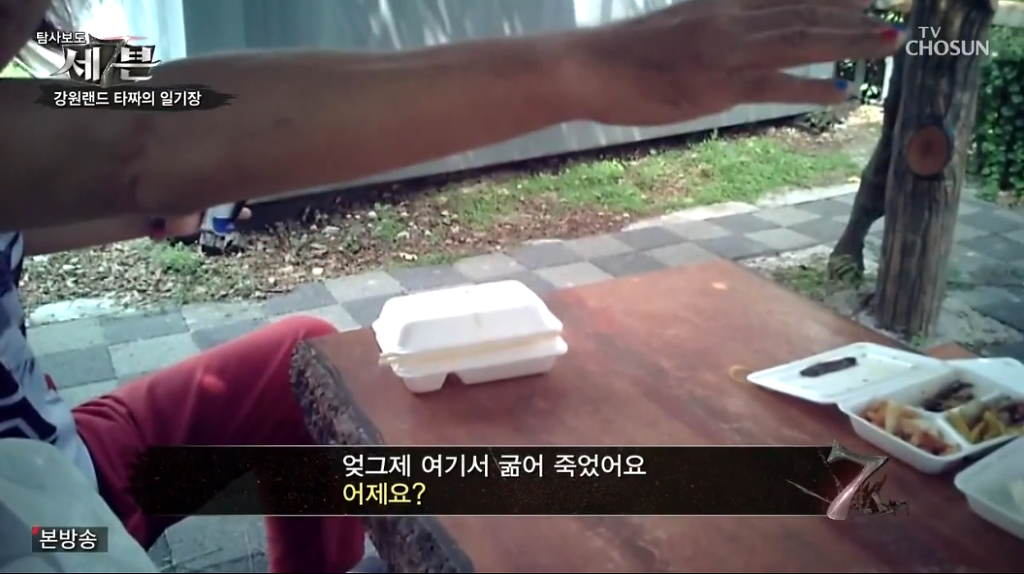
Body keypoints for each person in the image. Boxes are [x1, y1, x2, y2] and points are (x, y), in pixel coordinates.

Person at [0, 0, 905, 572]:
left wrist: (151, 179)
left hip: (63, 451)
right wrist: (581, 70)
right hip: (43, 521)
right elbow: (144, 140)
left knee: (301, 354)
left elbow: (113, 163)